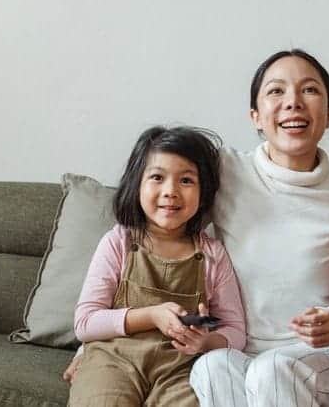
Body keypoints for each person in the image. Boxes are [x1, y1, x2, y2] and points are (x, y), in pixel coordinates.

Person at [64, 49, 329, 406]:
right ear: (255, 117)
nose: (292, 103)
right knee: (210, 368)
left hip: (322, 354)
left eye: (309, 90)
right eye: (276, 91)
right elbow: (158, 225)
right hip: (238, 350)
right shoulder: (225, 172)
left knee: (273, 370)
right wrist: (93, 347)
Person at [68, 126, 246, 406]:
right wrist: (152, 316)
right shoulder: (118, 242)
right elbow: (86, 323)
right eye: (157, 177)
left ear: (205, 191)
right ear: (137, 184)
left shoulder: (213, 254)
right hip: (113, 359)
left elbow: (236, 331)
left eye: (186, 180)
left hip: (182, 369)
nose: (170, 191)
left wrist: (205, 342)